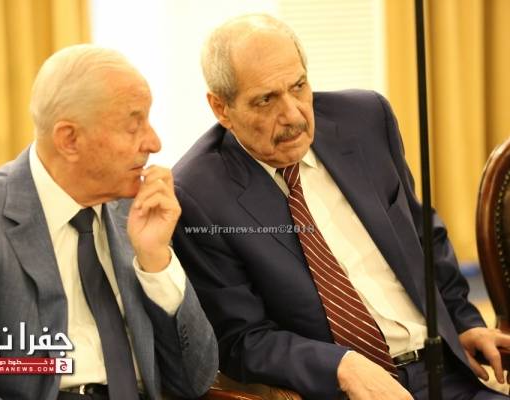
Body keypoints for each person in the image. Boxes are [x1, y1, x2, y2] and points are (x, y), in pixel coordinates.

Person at [172, 14, 510, 400]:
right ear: (221, 108)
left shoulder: (365, 119)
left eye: (298, 86)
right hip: (345, 390)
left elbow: (422, 233)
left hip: (443, 373)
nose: (294, 115)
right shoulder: (199, 195)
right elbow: (241, 339)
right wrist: (341, 366)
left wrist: (463, 322)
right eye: (266, 99)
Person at [0, 44, 218, 400]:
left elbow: (195, 380)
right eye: (133, 127)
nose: (154, 142)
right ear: (69, 139)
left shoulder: (135, 212)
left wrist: (156, 261)